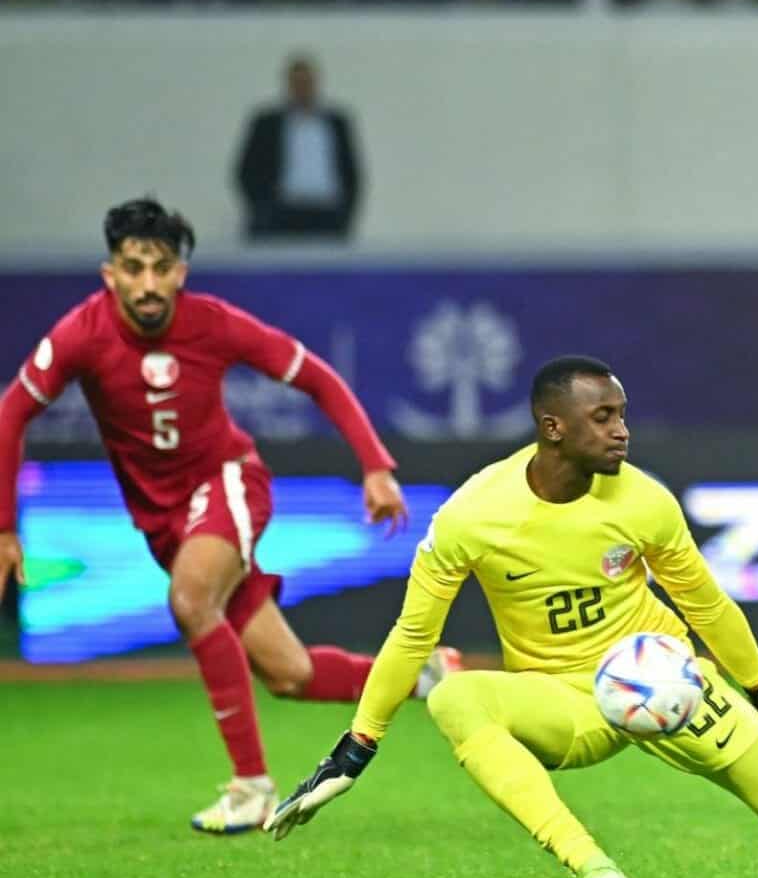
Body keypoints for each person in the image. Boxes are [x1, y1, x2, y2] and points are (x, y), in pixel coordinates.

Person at [264, 355, 758, 878]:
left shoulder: (643, 501)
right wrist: (356, 749)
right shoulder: (472, 516)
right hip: (565, 700)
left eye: (622, 414)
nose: (621, 430)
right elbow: (411, 636)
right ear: (553, 427)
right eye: (602, 416)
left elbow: (704, 603)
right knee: (454, 697)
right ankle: (598, 870)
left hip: (667, 680)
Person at [0, 198, 457, 834]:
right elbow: (11, 413)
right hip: (164, 524)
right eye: (134, 268)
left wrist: (375, 465)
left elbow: (316, 377)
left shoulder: (211, 323)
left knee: (191, 599)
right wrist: (5, 526)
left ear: (180, 273)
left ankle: (251, 789)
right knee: (291, 674)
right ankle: (426, 675)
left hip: (229, 483)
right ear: (111, 274)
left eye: (162, 267)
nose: (149, 283)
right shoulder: (81, 334)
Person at [233, 53, 363, 241]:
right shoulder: (266, 124)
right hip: (280, 215)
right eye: (297, 83)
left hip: (328, 215)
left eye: (307, 82)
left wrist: (346, 213)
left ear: (316, 83)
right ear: (288, 85)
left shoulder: (337, 122)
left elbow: (351, 173)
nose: (302, 88)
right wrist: (262, 209)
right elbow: (246, 171)